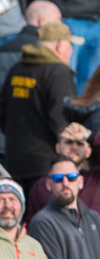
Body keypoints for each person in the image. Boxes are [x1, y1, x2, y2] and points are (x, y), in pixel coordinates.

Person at [3, 20, 80, 192]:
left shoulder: (16, 69)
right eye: (70, 45)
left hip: (14, 160)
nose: (71, 51)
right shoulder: (58, 72)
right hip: (46, 164)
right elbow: (60, 118)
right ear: (60, 46)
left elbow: (3, 113)